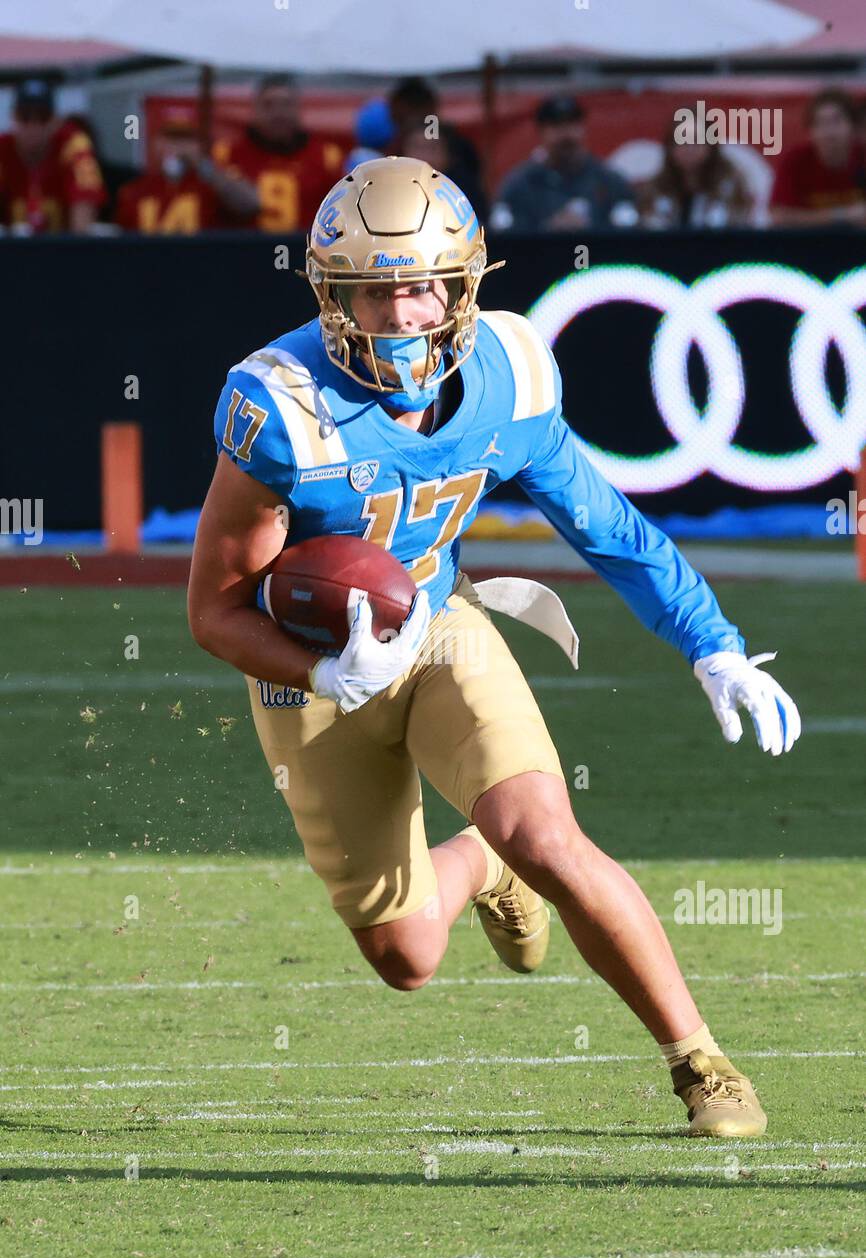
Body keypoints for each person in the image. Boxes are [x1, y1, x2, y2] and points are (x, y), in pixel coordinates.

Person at [189, 156, 801, 1139]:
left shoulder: (507, 378)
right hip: (306, 676)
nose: (405, 310)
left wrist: (711, 644)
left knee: (549, 836)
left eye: (426, 282)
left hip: (436, 629)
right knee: (405, 957)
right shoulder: (279, 405)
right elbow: (213, 610)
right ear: (332, 294)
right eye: (376, 290)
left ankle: (702, 1065)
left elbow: (605, 525)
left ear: (467, 281)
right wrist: (317, 669)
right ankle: (481, 865)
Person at [208, 73, 344, 232]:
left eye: (286, 104)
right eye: (268, 105)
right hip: (245, 252)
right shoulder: (226, 154)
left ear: (299, 109)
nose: (278, 113)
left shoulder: (327, 157)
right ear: (254, 110)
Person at [491, 94, 635, 232]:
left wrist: (589, 230)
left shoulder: (609, 181)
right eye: (556, 126)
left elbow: (629, 235)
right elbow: (506, 238)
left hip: (598, 257)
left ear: (583, 128)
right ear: (541, 132)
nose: (566, 134)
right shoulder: (520, 185)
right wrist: (549, 231)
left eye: (572, 124)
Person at [0, 78, 105, 233]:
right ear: (13, 119)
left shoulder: (72, 145)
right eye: (25, 117)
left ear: (55, 121)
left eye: (43, 117)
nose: (33, 126)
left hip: (63, 252)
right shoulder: (3, 149)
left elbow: (83, 224)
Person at [388, 75, 487, 222]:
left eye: (431, 149)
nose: (424, 156)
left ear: (448, 155)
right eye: (417, 148)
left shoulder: (462, 190)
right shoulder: (390, 183)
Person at [637, 108, 754, 228]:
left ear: (711, 146)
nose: (690, 149)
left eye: (697, 141)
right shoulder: (655, 189)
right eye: (682, 141)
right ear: (670, 147)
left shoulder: (731, 186)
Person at [770, 87, 866, 227]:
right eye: (820, 123)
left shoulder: (862, 156)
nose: (829, 132)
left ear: (853, 126)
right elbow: (778, 217)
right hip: (807, 246)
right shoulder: (795, 160)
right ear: (810, 131)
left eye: (836, 121)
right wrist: (841, 215)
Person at [115, 114, 222, 233]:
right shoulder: (134, 191)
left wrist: (201, 165)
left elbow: (243, 206)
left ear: (200, 146)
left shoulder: (213, 188)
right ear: (155, 144)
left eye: (186, 140)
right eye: (171, 139)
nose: (177, 147)